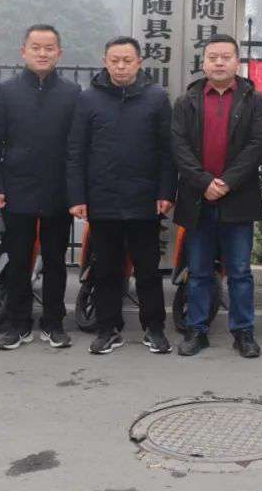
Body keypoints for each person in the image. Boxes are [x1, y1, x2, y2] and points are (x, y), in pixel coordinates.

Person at [67, 37, 176, 355]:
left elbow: (167, 151)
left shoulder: (156, 98)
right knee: (106, 269)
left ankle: (154, 328)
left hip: (144, 199)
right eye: (114, 60)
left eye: (127, 60)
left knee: (148, 270)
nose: (121, 66)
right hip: (103, 199)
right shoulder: (89, 99)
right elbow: (76, 151)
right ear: (105, 61)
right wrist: (77, 196)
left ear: (139, 62)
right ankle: (108, 328)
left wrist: (165, 191)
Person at [0, 24, 81, 350]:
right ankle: (18, 323)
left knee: (56, 261)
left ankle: (54, 322)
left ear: (59, 53)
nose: (42, 53)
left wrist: (76, 194)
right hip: (16, 190)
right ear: (23, 51)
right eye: (35, 47)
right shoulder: (7, 92)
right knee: (18, 260)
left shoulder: (72, 93)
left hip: (57, 191)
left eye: (49, 48)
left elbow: (78, 148)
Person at [170, 34, 262, 358]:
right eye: (213, 57)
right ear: (204, 62)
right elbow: (179, 147)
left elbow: (257, 146)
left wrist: (226, 182)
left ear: (237, 62)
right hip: (198, 198)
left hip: (237, 198)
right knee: (199, 271)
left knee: (240, 271)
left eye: (226, 57)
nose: (219, 62)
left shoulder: (254, 100)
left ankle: (244, 332)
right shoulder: (187, 101)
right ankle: (197, 330)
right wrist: (204, 182)